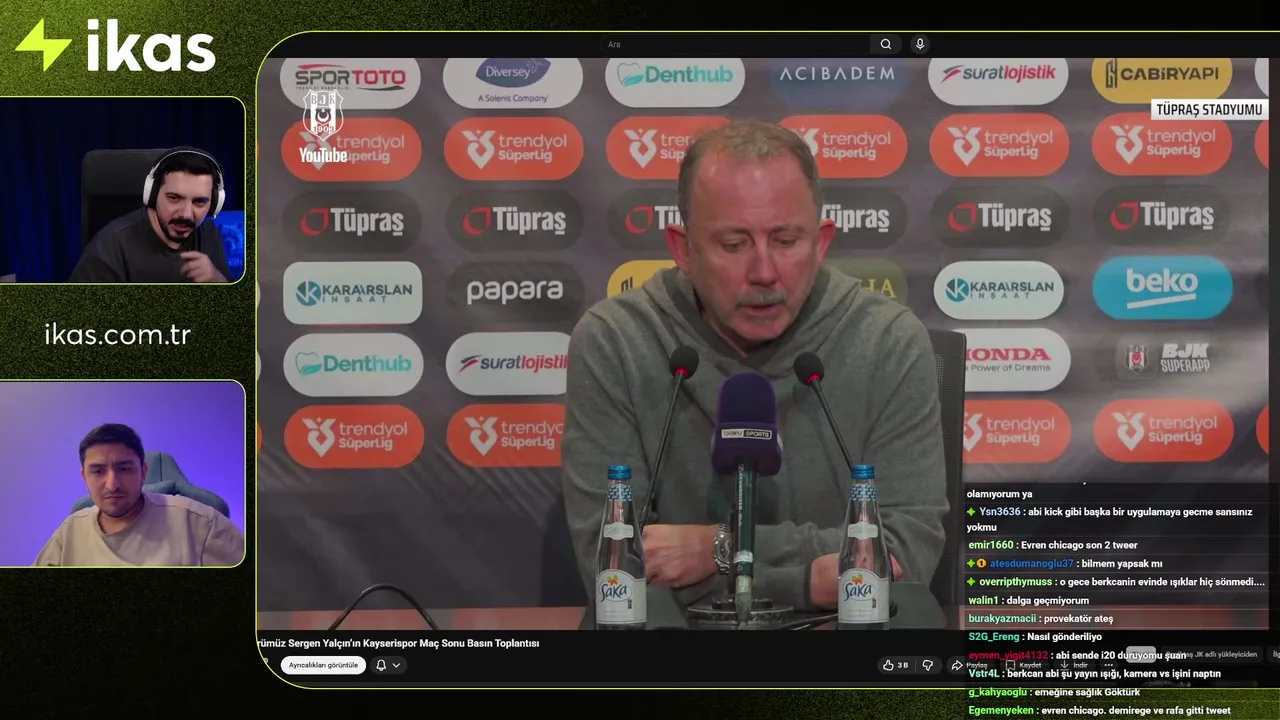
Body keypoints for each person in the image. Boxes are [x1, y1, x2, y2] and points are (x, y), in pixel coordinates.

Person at [561, 120, 948, 616]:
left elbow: (903, 557)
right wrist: (812, 577)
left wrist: (716, 550)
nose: (764, 272)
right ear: (683, 249)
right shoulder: (616, 341)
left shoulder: (888, 341)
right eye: (734, 244)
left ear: (821, 243)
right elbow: (615, 572)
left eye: (785, 241)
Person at [33, 424, 244, 567]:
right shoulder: (69, 531)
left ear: (143, 473)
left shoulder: (200, 523)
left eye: (124, 469)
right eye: (98, 471)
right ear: (84, 478)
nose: (112, 485)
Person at [69, 147, 232, 283]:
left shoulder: (209, 234)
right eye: (174, 198)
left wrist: (217, 279)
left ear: (214, 204)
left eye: (199, 202)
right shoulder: (110, 247)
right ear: (153, 195)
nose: (186, 214)